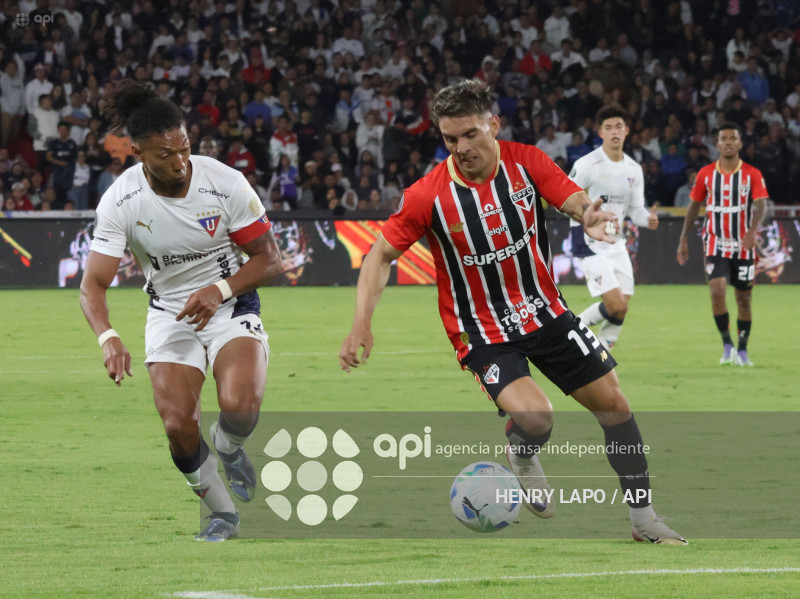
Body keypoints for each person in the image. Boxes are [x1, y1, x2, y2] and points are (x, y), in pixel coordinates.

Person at [339, 80, 686, 545]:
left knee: (616, 406)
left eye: (470, 134)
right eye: (450, 138)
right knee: (537, 417)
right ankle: (522, 450)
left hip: (545, 311)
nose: (461, 147)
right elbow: (379, 256)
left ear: (493, 126)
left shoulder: (527, 163)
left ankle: (644, 521)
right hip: (481, 330)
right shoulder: (428, 195)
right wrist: (361, 322)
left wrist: (588, 215)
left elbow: (572, 198)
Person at [79, 80, 283, 542]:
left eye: (185, 148)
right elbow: (92, 286)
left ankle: (229, 446)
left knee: (240, 408)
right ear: (137, 152)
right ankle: (222, 514)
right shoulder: (120, 201)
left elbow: (270, 259)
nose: (180, 162)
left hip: (229, 305)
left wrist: (218, 290)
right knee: (178, 425)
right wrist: (108, 337)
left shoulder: (225, 183)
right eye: (166, 154)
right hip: (170, 314)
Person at [676, 123, 768, 367]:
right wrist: (683, 238)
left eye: (732, 138)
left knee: (744, 299)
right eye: (723, 138)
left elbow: (761, 205)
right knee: (717, 292)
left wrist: (752, 231)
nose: (728, 142)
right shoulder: (706, 174)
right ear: (717, 144)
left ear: (740, 143)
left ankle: (743, 350)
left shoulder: (752, 174)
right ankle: (728, 346)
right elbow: (694, 206)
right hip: (715, 244)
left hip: (743, 246)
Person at [569, 104, 659, 350]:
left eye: (618, 126)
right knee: (615, 305)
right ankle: (571, 332)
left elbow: (635, 210)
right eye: (608, 127)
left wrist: (647, 219)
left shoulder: (634, 169)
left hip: (616, 242)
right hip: (589, 242)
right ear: (600, 133)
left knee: (621, 308)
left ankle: (601, 356)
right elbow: (563, 198)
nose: (614, 131)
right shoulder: (587, 164)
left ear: (627, 130)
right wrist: (587, 215)